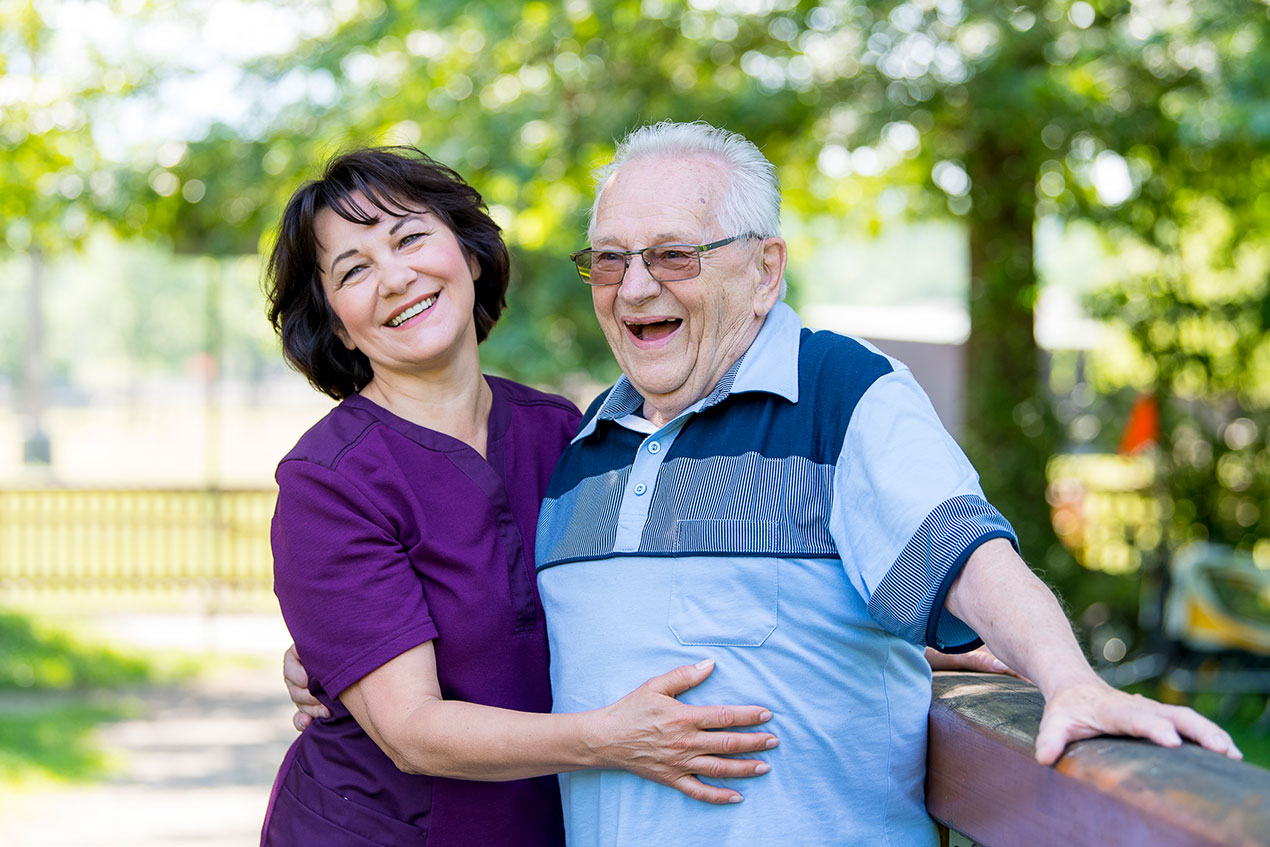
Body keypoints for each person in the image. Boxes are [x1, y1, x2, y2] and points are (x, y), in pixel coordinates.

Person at [526, 121, 1242, 845]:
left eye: (674, 255)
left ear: (764, 271)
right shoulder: (585, 448)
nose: (637, 286)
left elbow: (962, 551)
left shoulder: (838, 392)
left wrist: (1070, 680)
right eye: (611, 260)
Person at [259, 146, 779, 847]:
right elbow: (410, 729)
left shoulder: (567, 432)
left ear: (468, 255)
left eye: (410, 237)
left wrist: (908, 642)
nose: (394, 277)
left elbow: (685, 593)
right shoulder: (329, 480)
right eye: (353, 270)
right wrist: (612, 738)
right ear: (336, 320)